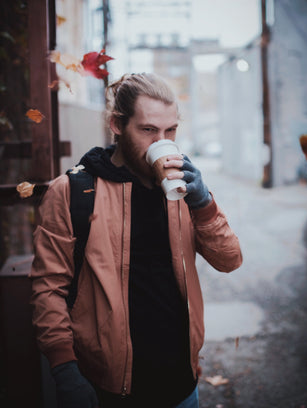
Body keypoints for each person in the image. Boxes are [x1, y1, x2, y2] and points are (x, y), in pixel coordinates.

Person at [30, 72, 242, 408]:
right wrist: (65, 370)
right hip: (107, 389)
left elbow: (229, 260)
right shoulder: (72, 192)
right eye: (148, 130)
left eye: (170, 131)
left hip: (182, 385)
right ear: (117, 125)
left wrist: (204, 203)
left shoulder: (183, 190)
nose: (161, 140)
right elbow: (48, 288)